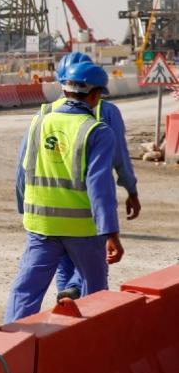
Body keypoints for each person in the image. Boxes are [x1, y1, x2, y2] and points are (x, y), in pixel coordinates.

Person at [4, 60, 124, 323]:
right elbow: (100, 187)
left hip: (41, 226)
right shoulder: (97, 131)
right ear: (95, 96)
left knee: (26, 291)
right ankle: (89, 340)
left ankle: (10, 339)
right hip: (83, 231)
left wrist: (25, 211)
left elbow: (22, 172)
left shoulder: (39, 122)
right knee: (94, 294)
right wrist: (111, 233)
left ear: (64, 90)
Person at [50, 52, 141, 300]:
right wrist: (131, 190)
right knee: (93, 265)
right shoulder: (107, 111)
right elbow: (120, 156)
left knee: (64, 264)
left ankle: (67, 305)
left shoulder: (47, 113)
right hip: (89, 205)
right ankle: (81, 298)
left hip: (53, 205)